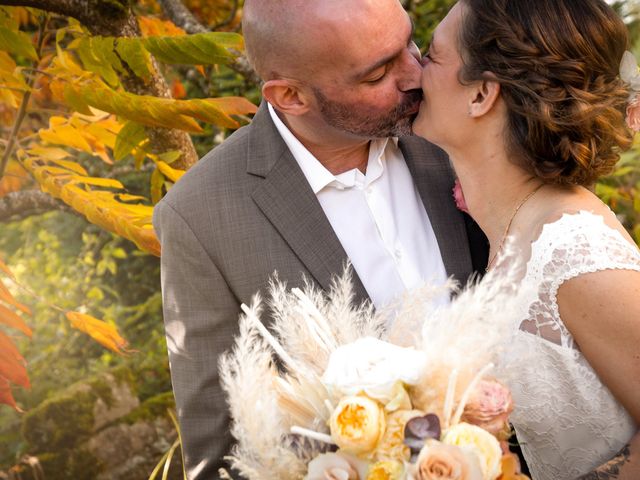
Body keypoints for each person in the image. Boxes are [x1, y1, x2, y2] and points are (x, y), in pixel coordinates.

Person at [153, 0, 487, 477]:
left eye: (410, 42)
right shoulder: (200, 217)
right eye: (377, 75)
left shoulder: (454, 120)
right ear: (289, 95)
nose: (416, 74)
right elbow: (221, 454)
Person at [412, 0, 640, 478]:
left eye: (432, 55)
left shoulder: (580, 253)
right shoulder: (505, 229)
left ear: (481, 95)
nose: (414, 68)